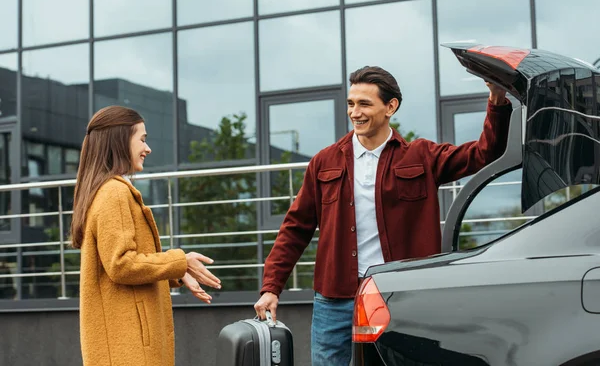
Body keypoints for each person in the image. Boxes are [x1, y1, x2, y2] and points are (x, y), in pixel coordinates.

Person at [254, 66, 512, 365]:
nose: (355, 112)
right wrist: (271, 287)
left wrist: (496, 98)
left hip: (398, 295)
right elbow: (295, 229)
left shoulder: (421, 156)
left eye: (365, 104)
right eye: (351, 103)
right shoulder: (324, 162)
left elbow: (484, 153)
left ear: (391, 107)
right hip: (335, 298)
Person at [71, 105, 221, 366]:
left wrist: (176, 271)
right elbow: (121, 265)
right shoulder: (114, 193)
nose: (148, 148)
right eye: (142, 139)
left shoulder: (105, 190)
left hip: (126, 344)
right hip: (128, 348)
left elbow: (122, 265)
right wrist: (179, 261)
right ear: (119, 140)